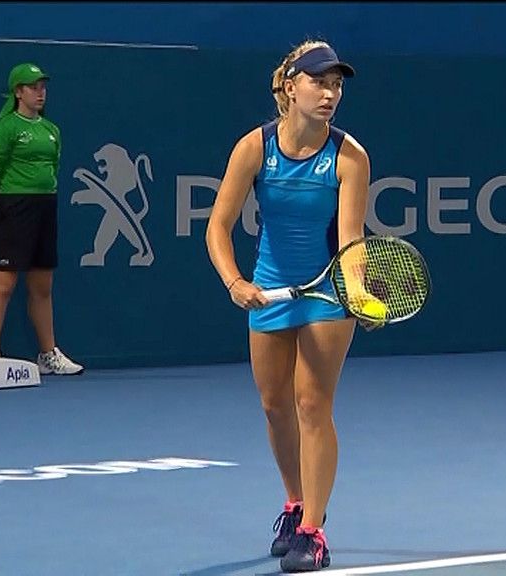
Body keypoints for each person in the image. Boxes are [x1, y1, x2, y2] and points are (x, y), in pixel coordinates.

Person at [205, 40, 373, 572]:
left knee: (311, 405)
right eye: (319, 82)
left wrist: (358, 292)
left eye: (337, 85)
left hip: (326, 295)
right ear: (290, 86)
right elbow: (218, 227)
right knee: (275, 406)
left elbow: (350, 240)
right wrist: (235, 282)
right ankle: (295, 502)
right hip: (270, 287)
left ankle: (313, 531)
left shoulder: (350, 157)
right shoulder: (254, 148)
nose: (329, 94)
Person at [0, 62, 83, 375]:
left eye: (42, 87)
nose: (40, 93)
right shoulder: (6, 128)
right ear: (18, 92)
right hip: (14, 206)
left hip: (45, 206)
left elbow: (54, 167)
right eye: (33, 87)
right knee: (3, 283)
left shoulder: (51, 130)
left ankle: (48, 354)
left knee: (42, 285)